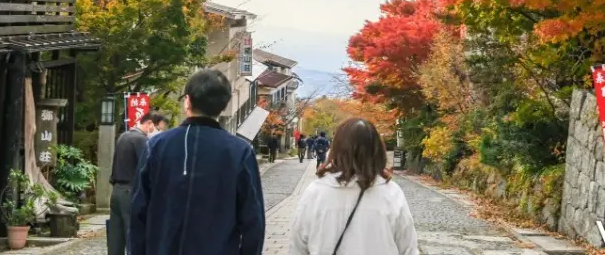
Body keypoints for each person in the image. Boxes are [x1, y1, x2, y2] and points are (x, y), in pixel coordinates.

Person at [129, 69, 265, 255]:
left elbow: (138, 212)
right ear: (224, 106)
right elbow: (253, 220)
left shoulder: (157, 146)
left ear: (188, 100)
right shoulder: (239, 151)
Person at [289, 118, 418, 255]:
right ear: (377, 149)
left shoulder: (316, 192)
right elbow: (408, 247)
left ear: (337, 148)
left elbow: (297, 246)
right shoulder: (391, 193)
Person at [107, 111, 162, 255]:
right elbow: (147, 168)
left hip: (116, 191)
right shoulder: (141, 140)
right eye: (156, 127)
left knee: (115, 238)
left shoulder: (124, 136)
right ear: (149, 123)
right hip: (131, 191)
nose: (156, 131)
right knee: (133, 235)